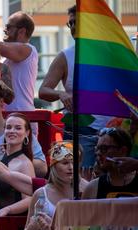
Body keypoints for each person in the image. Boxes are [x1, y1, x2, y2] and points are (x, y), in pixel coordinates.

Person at [38, 5, 112, 180]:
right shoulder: (65, 56)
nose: (73, 27)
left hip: (111, 130)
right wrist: (61, 94)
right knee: (80, 180)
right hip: (79, 129)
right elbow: (43, 90)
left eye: (77, 22)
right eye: (70, 23)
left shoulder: (110, 54)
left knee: (110, 180)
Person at [0, 12, 38, 134]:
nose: (5, 31)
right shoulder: (8, 58)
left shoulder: (28, 49)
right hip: (11, 118)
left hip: (23, 118)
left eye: (9, 27)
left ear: (21, 31)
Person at [82, 128, 138, 199]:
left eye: (104, 148)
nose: (98, 153)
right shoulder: (92, 188)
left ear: (123, 150)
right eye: (97, 149)